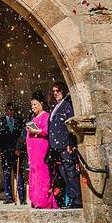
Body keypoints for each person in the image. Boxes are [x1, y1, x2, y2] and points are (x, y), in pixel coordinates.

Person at [48, 81, 81, 209]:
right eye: (54, 91)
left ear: (63, 91)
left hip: (64, 144)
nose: (56, 93)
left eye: (58, 91)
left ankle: (76, 200)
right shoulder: (55, 106)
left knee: (70, 172)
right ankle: (71, 198)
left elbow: (70, 124)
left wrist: (70, 142)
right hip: (56, 146)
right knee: (64, 173)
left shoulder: (67, 105)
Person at [25, 91, 57, 209]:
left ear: (41, 104)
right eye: (32, 105)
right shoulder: (33, 117)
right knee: (34, 174)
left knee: (42, 174)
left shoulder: (46, 116)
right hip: (32, 152)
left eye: (35, 104)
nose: (33, 107)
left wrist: (36, 131)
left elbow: (47, 131)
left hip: (41, 150)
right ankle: (35, 200)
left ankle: (43, 201)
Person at [0, 102, 25, 204]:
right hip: (5, 151)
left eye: (12, 110)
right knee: (7, 174)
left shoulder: (19, 121)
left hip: (16, 151)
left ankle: (22, 197)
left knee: (19, 174)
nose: (10, 111)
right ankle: (8, 197)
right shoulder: (0, 122)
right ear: (5, 110)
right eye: (8, 109)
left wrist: (20, 148)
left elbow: (22, 136)